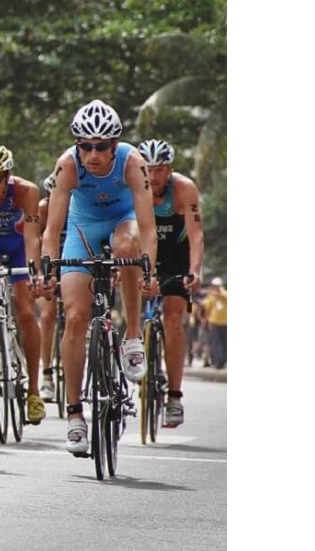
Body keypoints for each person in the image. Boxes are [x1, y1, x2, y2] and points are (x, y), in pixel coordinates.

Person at [35, 99, 159, 455]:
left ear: (114, 145)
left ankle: (133, 336)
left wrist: (148, 266)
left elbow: (148, 228)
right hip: (83, 226)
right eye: (85, 146)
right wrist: (48, 267)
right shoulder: (67, 165)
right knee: (75, 317)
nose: (92, 154)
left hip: (124, 223)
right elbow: (51, 230)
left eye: (101, 146)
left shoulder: (132, 162)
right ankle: (75, 414)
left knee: (127, 246)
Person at [138, 138, 204, 427]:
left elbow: (196, 235)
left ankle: (174, 396)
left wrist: (195, 270)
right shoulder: (131, 189)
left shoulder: (184, 190)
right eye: (148, 170)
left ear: (169, 170)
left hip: (176, 256)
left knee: (174, 314)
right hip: (145, 254)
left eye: (160, 170)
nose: (153, 177)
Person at [0, 144, 45, 425]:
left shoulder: (25, 192)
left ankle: (33, 391)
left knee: (27, 312)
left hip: (19, 250)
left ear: (9, 177)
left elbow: (32, 237)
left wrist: (35, 272)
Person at [35, 174, 63, 402]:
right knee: (47, 314)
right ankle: (46, 376)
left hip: (74, 262)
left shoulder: (79, 207)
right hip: (50, 262)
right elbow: (35, 243)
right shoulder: (43, 210)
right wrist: (41, 274)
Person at [201, 277, 226, 369]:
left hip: (225, 322)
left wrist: (216, 293)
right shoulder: (211, 297)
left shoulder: (224, 294)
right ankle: (218, 360)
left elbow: (224, 296)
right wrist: (205, 320)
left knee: (224, 342)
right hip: (214, 322)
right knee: (215, 342)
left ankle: (223, 360)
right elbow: (207, 308)